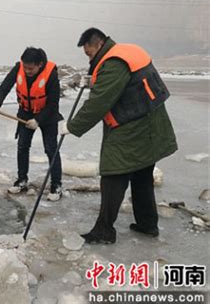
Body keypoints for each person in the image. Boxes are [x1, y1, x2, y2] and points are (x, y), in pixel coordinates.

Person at [60, 27, 177, 244]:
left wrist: (73, 126)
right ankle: (147, 224)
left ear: (98, 44)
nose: (89, 58)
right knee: (142, 174)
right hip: (149, 122)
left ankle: (104, 230)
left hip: (134, 127)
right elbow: (124, 84)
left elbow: (99, 103)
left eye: (89, 53)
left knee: (114, 173)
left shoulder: (113, 63)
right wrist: (92, 82)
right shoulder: (124, 52)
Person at [0, 47, 63, 201]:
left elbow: (53, 104)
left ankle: (56, 185)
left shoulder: (51, 75)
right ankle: (22, 180)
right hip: (26, 112)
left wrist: (38, 120)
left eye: (31, 68)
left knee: (51, 149)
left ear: (40, 65)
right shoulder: (19, 68)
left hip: (47, 116)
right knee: (22, 146)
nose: (27, 71)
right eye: (25, 67)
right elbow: (5, 87)